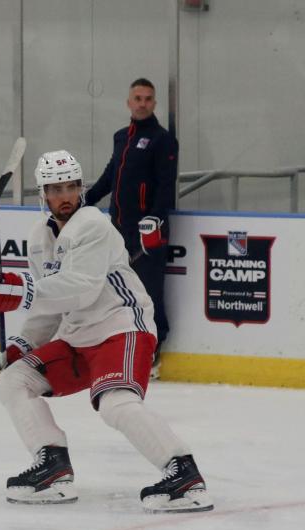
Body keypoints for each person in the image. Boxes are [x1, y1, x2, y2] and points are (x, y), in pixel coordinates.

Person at [0, 150, 212, 514]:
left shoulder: (92, 225)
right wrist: (20, 345)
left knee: (115, 404)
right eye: (56, 188)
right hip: (77, 338)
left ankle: (184, 474)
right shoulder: (39, 237)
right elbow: (51, 302)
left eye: (72, 186)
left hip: (121, 327)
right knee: (13, 381)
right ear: (43, 193)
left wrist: (22, 290)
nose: (65, 195)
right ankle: (52, 467)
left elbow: (82, 287)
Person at [84, 78, 178, 378]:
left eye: (148, 98)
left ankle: (152, 350)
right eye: (137, 98)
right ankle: (120, 347)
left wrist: (155, 219)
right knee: (117, 291)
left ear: (154, 103)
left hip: (148, 232)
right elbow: (112, 174)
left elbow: (166, 185)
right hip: (118, 230)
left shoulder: (162, 140)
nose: (142, 103)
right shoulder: (121, 137)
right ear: (128, 102)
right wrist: (85, 199)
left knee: (148, 293)